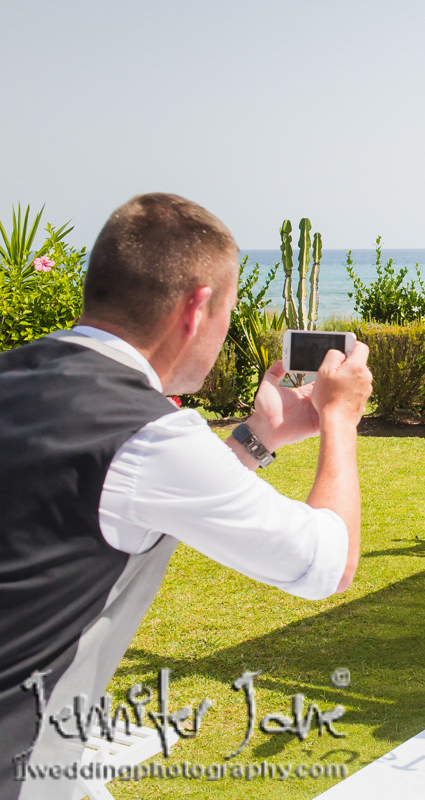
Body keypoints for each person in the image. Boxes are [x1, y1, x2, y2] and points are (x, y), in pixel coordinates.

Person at [0, 194, 372, 799]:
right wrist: (340, 418)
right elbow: (328, 562)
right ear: (198, 307)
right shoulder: (147, 433)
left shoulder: (21, 376)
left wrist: (260, 437)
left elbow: (116, 500)